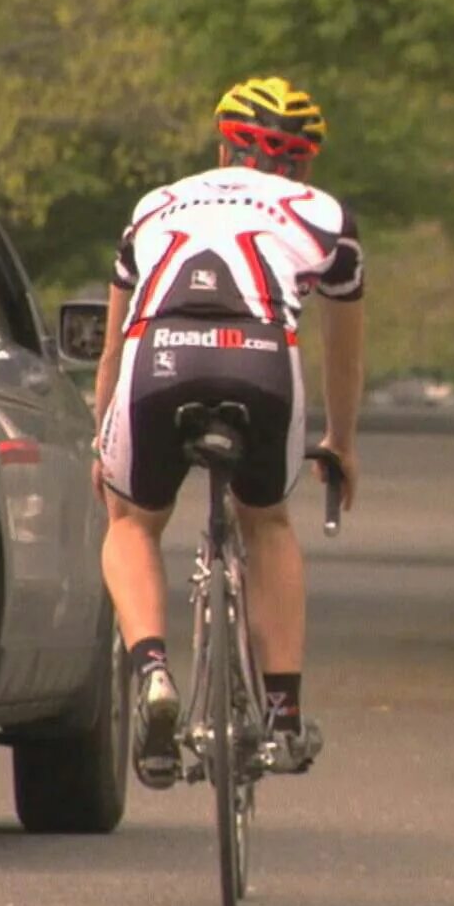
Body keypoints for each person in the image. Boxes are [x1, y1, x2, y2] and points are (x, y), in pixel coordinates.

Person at [91, 76, 366, 787]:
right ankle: (282, 712)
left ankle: (151, 669)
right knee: (267, 521)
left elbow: (114, 345)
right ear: (303, 162)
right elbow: (344, 346)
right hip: (263, 358)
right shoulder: (326, 214)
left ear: (223, 145)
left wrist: (102, 442)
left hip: (158, 354)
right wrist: (340, 439)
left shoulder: (155, 204)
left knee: (131, 523)